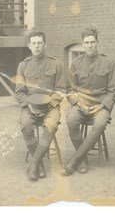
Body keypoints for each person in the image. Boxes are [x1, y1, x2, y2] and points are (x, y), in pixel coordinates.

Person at [14, 31, 68, 181]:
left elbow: (61, 90)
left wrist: (49, 103)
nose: (37, 46)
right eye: (34, 43)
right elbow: (19, 92)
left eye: (40, 43)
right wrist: (29, 105)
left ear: (45, 45)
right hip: (30, 108)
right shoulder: (23, 66)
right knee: (25, 125)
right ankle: (40, 166)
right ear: (29, 46)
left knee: (50, 126)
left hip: (51, 107)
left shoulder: (55, 64)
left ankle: (34, 164)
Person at [62, 27, 115, 176]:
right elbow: (70, 90)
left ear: (97, 42)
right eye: (87, 42)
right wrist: (78, 103)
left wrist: (101, 106)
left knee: (99, 124)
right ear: (82, 44)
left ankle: (76, 160)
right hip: (80, 104)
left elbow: (113, 91)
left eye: (93, 42)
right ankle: (83, 159)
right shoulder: (75, 64)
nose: (90, 45)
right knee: (71, 120)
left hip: (100, 104)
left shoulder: (108, 62)